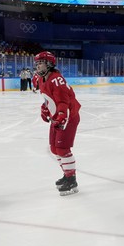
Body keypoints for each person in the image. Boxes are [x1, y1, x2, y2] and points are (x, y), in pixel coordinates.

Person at [35, 51, 80, 196]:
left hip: (67, 116)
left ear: (49, 64)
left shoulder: (56, 79)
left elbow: (63, 101)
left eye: (40, 63)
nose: (38, 66)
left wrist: (61, 116)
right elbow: (50, 99)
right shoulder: (42, 80)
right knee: (54, 148)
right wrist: (45, 108)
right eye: (37, 63)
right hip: (58, 117)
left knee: (62, 148)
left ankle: (71, 180)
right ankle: (67, 175)